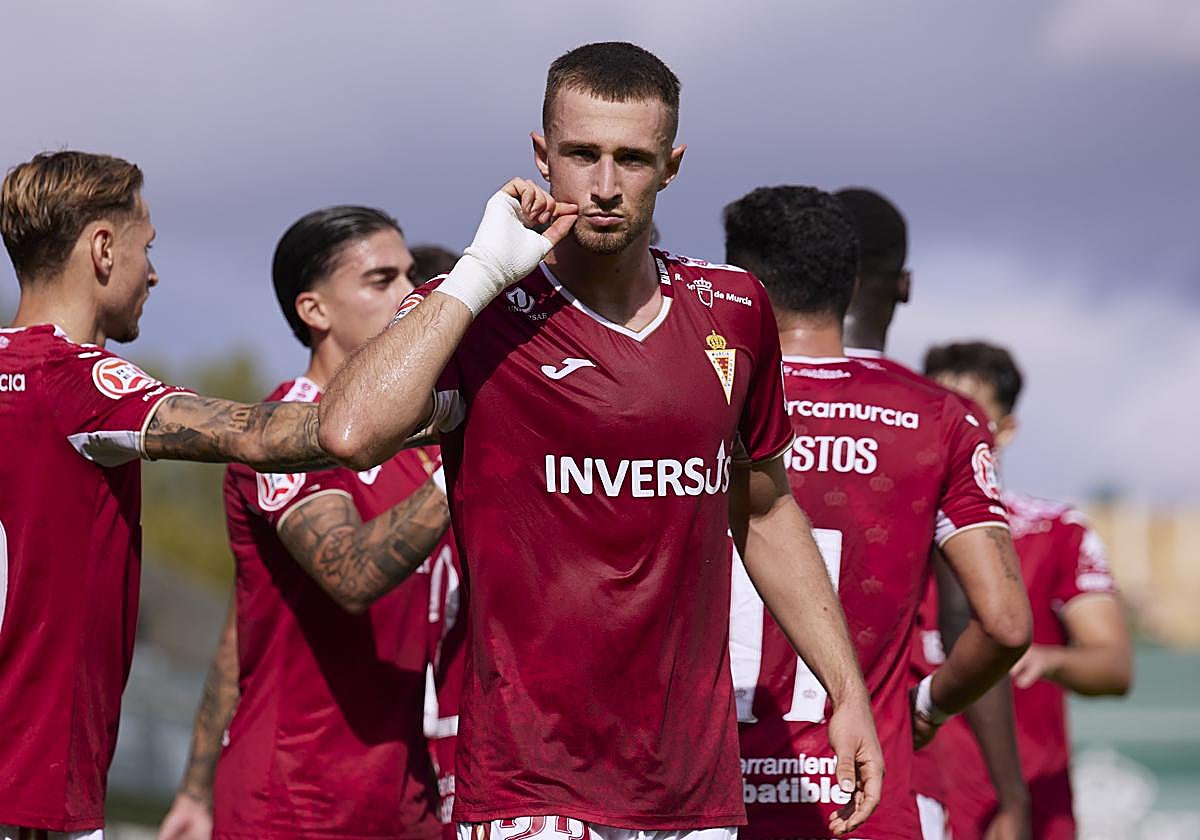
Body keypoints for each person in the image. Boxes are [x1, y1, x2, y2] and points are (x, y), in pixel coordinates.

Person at [320, 41, 882, 838]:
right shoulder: (481, 310)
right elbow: (348, 431)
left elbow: (761, 509)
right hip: (529, 784)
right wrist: (479, 272)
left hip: (690, 788)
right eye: (582, 155)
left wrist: (846, 688)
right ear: (541, 156)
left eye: (633, 158)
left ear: (673, 164)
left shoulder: (733, 308)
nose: (606, 186)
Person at [0, 151, 330, 839]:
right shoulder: (80, 381)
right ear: (101, 248)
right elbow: (264, 437)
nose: (153, 272)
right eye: (146, 246)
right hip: (28, 794)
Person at [722, 185, 1031, 840]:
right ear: (853, 280)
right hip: (861, 799)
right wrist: (929, 705)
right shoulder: (940, 418)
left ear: (741, 285)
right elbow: (1003, 624)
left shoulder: (696, 401)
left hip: (704, 804)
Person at [156, 206, 455, 840]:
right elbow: (350, 572)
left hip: (405, 800)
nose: (411, 294)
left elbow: (241, 627)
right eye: (381, 281)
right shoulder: (283, 435)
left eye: (410, 275)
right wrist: (469, 466)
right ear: (314, 311)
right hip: (291, 804)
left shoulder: (419, 443)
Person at [835, 186, 1032, 840]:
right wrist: (1010, 791)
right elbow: (978, 618)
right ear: (906, 286)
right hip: (886, 772)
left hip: (740, 764)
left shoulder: (741, 397)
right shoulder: (934, 418)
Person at [923, 342, 1133, 840]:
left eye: (969, 415)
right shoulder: (887, 530)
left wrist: (1043, 657)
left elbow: (1115, 667)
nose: (949, 430)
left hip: (1028, 813)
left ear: (1006, 430)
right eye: (936, 412)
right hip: (915, 802)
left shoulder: (1056, 529)